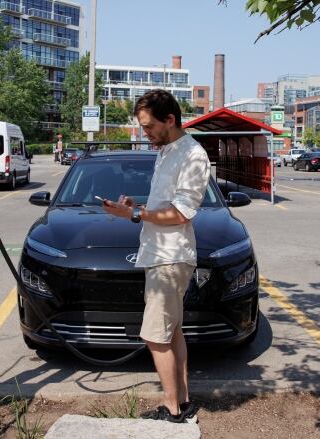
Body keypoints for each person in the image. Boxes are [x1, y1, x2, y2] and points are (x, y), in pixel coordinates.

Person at [103, 90, 210, 423]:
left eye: (148, 126)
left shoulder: (193, 155)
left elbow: (181, 213)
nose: (144, 133)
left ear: (170, 120)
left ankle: (171, 409)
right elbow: (165, 205)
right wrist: (136, 207)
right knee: (172, 331)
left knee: (154, 334)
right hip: (160, 254)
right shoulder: (167, 151)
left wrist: (134, 217)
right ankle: (184, 401)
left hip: (171, 256)